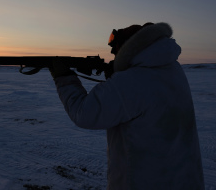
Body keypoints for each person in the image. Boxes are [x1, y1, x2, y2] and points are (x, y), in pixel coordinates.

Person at [49, 22, 205, 190]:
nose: (112, 53)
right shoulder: (172, 69)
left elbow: (84, 114)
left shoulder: (131, 80)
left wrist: (63, 77)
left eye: (115, 48)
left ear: (129, 47)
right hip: (184, 178)